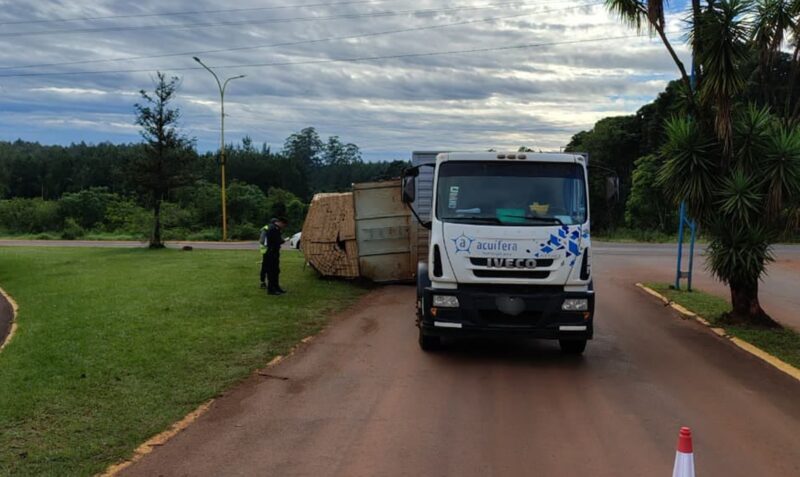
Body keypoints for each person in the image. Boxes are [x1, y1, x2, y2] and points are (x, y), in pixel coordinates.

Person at [259, 217, 288, 295]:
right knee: (272, 272)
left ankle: (276, 287)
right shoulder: (273, 229)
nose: (283, 227)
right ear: (281, 222)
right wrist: (282, 241)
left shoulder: (274, 228)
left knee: (276, 271)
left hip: (273, 252)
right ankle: (271, 289)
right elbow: (275, 241)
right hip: (270, 253)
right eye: (284, 225)